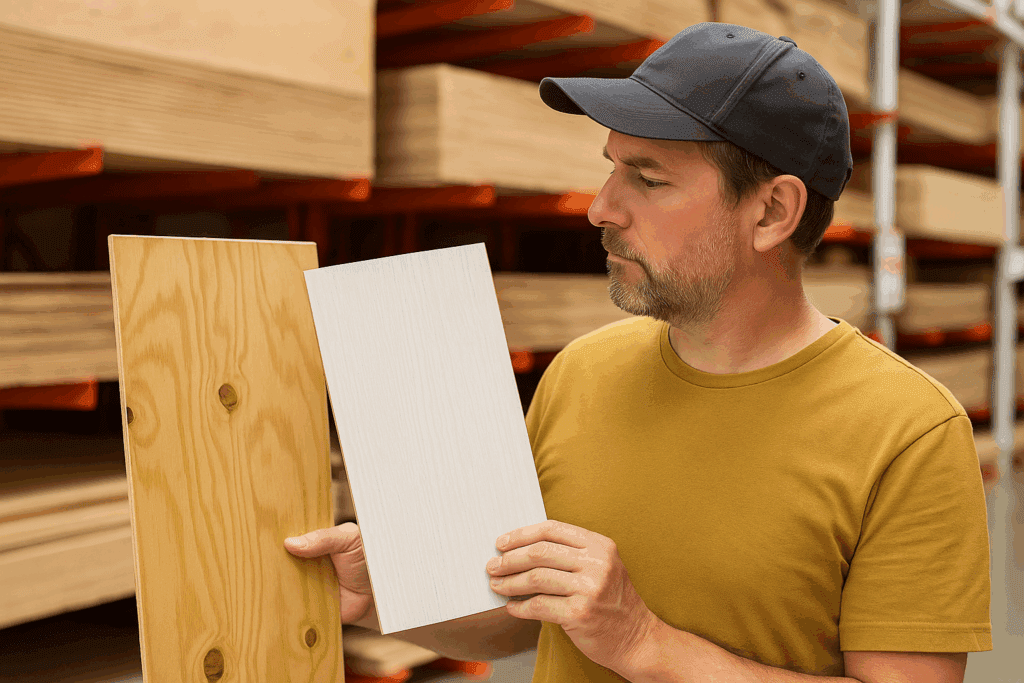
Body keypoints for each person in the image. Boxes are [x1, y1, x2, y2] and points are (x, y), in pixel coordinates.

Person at [285, 21, 992, 682]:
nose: (602, 208)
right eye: (612, 168)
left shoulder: (909, 432)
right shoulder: (581, 371)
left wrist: (643, 642)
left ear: (773, 211)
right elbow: (516, 618)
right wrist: (384, 596)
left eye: (649, 180)